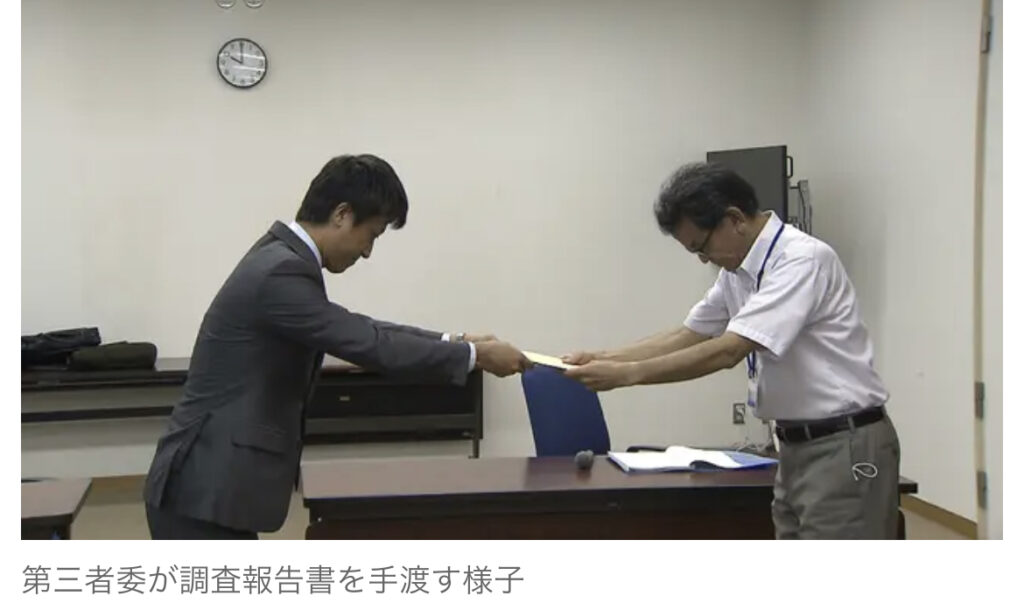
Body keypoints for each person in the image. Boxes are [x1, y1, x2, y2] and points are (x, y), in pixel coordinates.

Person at [143, 154, 531, 539]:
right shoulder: (281, 270)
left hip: (207, 486)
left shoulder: (281, 256)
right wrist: (474, 357)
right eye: (372, 235)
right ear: (342, 214)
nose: (367, 252)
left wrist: (454, 341)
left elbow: (360, 326)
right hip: (200, 488)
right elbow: (366, 342)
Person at [562, 162, 900, 539]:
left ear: (735, 219)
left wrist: (625, 376)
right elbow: (690, 333)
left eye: (702, 246)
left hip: (841, 444)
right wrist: (603, 358)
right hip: (794, 445)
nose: (703, 259)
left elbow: (728, 350)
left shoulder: (801, 260)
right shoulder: (737, 272)